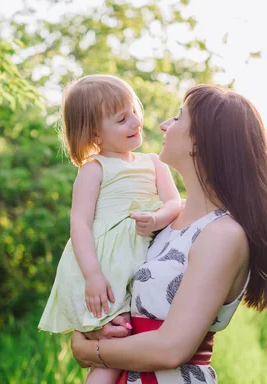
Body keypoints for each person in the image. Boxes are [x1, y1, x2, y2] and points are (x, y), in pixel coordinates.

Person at [70, 84, 267, 384]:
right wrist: (96, 330)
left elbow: (171, 348)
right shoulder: (165, 220)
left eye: (177, 118)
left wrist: (90, 351)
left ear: (200, 142)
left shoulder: (221, 234)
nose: (163, 125)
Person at [38, 75, 182, 383]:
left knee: (129, 334)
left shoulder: (154, 163)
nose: (135, 122)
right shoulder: (94, 169)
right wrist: (92, 275)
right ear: (95, 135)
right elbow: (79, 223)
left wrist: (156, 220)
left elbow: (174, 203)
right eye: (121, 119)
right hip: (105, 266)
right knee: (114, 339)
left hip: (140, 258)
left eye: (134, 111)